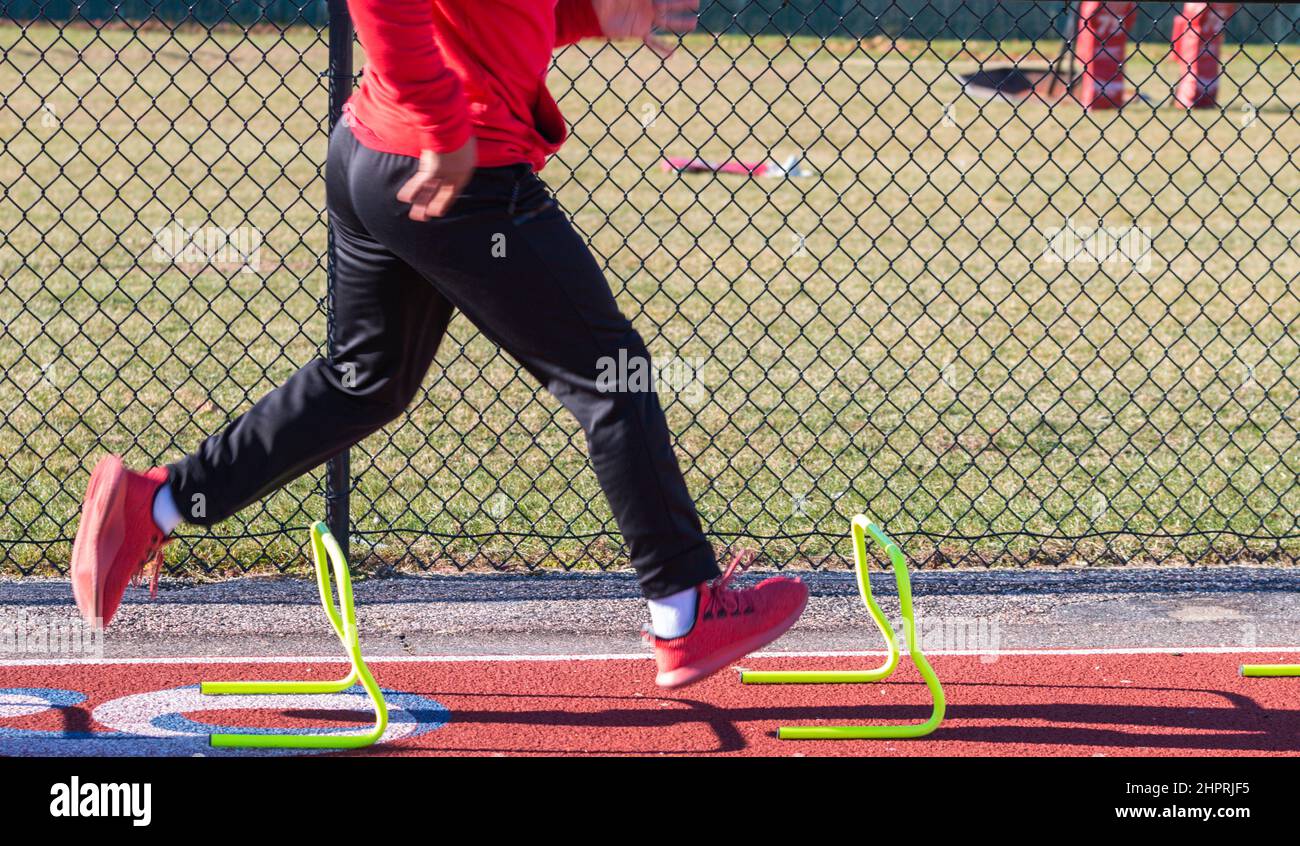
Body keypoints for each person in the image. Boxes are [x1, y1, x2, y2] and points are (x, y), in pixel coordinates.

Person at [70, 0, 807, 689]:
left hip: (375, 156)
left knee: (366, 378)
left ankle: (157, 504)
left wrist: (593, 12)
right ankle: (683, 608)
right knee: (611, 375)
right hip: (457, 171)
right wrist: (444, 127)